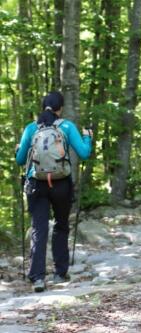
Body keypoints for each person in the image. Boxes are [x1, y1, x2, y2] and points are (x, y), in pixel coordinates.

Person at [15, 91, 93, 292]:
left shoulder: (32, 128)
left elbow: (20, 160)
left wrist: (18, 150)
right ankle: (60, 273)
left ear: (43, 107)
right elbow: (84, 153)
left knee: (39, 229)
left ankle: (38, 278)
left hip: (36, 183)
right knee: (61, 225)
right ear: (61, 108)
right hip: (61, 183)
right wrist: (88, 138)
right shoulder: (67, 127)